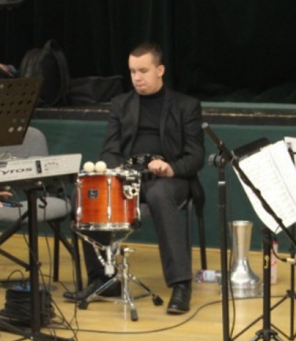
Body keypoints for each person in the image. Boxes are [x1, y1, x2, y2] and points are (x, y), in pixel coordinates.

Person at [64, 41, 205, 314]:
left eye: (143, 71)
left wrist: (171, 168)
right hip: (129, 178)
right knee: (85, 193)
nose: (137, 78)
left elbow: (196, 155)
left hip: (171, 180)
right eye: (132, 72)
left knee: (159, 193)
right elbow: (110, 150)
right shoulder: (121, 104)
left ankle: (181, 285)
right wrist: (121, 172)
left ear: (160, 70)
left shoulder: (186, 106)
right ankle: (102, 279)